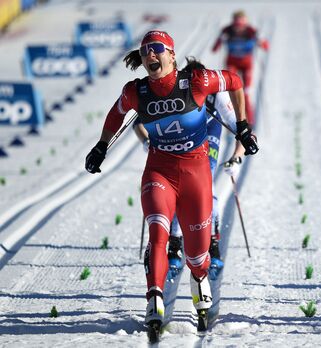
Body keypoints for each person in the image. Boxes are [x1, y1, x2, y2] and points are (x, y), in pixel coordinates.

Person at [84, 30, 258, 331]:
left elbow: (235, 81)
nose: (151, 55)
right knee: (158, 234)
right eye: (145, 51)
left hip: (196, 173)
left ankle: (200, 277)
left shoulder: (198, 81)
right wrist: (101, 146)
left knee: (198, 255)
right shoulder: (135, 92)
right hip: (159, 171)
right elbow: (116, 114)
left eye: (157, 49)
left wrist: (242, 127)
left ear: (172, 54)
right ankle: (154, 295)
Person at [133, 59, 247, 281]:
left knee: (204, 190)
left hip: (206, 143)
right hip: (176, 146)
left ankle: (212, 243)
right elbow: (138, 123)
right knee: (173, 192)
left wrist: (236, 158)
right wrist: (148, 142)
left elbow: (239, 128)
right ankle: (175, 244)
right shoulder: (173, 91)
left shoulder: (215, 94)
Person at [212, 10, 269, 126]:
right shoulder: (227, 31)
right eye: (236, 26)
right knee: (230, 92)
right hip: (232, 63)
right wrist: (220, 39)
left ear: (245, 24)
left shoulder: (251, 31)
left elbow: (266, 47)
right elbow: (214, 49)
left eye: (241, 26)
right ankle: (232, 119)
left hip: (246, 64)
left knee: (246, 93)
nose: (239, 29)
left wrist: (259, 40)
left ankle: (249, 121)